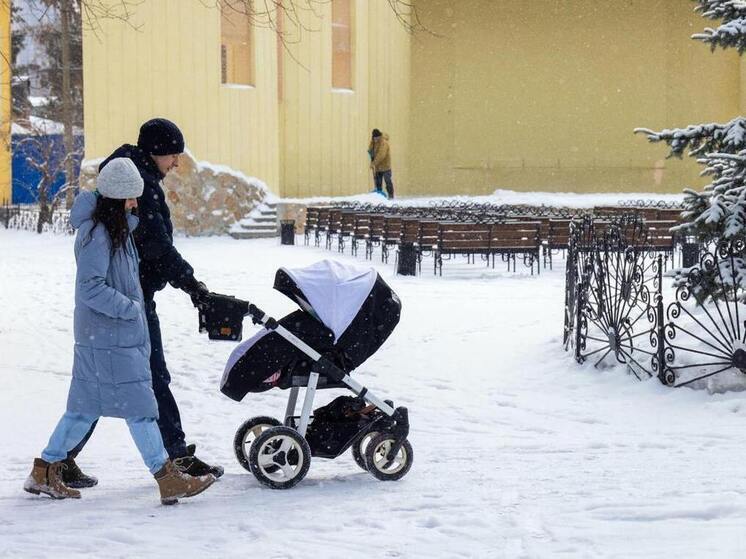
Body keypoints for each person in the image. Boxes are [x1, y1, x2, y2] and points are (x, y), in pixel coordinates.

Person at [24, 158, 216, 505]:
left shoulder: (114, 230)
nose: (135, 203)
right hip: (109, 338)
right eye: (130, 198)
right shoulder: (100, 234)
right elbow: (90, 288)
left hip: (107, 337)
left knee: (83, 409)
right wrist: (131, 308)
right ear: (115, 199)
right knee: (140, 406)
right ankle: (167, 477)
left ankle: (45, 469)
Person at [62, 118, 223, 487]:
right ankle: (175, 457)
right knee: (149, 376)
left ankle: (59, 460)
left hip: (129, 297)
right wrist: (192, 285)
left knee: (106, 382)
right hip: (128, 301)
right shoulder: (140, 186)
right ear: (157, 151)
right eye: (173, 155)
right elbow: (156, 246)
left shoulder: (135, 178)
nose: (176, 163)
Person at [368, 128, 395, 199]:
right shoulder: (373, 142)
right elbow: (371, 150)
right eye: (374, 138)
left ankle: (391, 195)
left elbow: (381, 155)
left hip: (386, 166)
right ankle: (379, 197)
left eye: (377, 137)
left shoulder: (384, 143)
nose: (376, 139)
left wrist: (373, 163)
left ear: (379, 136)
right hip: (378, 167)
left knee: (388, 181)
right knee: (378, 183)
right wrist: (370, 152)